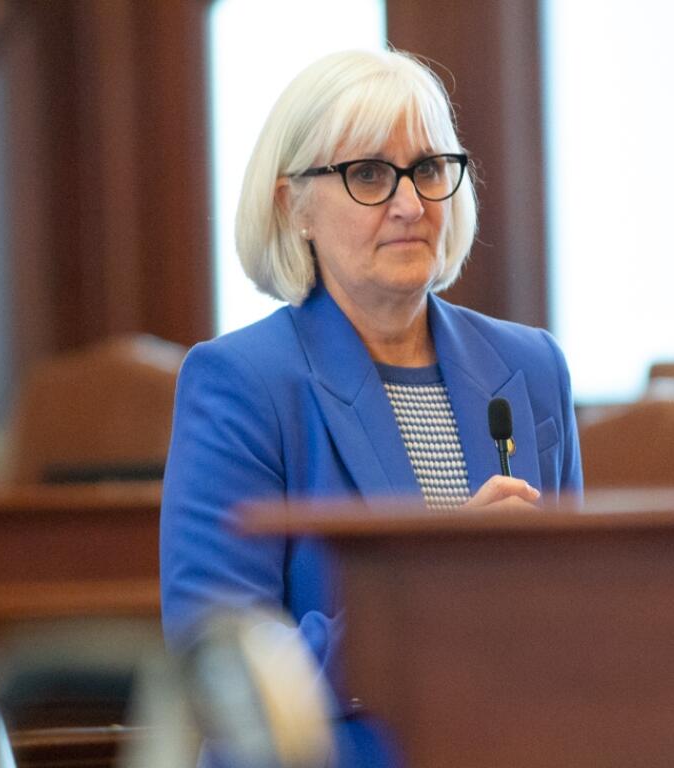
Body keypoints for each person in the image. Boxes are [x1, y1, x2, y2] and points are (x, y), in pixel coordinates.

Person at [159, 49, 583, 764]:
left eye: (428, 169)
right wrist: (438, 591)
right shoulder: (240, 382)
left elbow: (579, 620)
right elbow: (222, 676)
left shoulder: (533, 368)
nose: (411, 204)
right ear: (292, 206)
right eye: (368, 175)